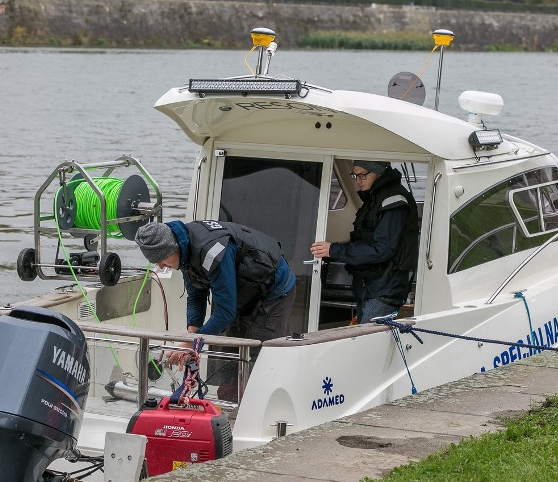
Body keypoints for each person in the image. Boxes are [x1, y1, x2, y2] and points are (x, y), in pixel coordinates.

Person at [135, 219, 296, 397]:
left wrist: (192, 343)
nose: (160, 266)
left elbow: (226, 312)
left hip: (274, 289)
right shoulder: (184, 248)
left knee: (261, 349)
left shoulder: (212, 251)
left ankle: (258, 404)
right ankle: (228, 400)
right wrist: (192, 338)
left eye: (161, 260)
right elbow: (196, 294)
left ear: (173, 247)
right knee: (229, 350)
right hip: (241, 291)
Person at [310, 160, 418, 324]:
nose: (358, 181)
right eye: (355, 175)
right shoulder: (375, 197)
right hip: (370, 287)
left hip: (383, 291)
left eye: (362, 175)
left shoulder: (393, 200)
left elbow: (382, 249)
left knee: (365, 342)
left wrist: (333, 250)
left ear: (379, 173)